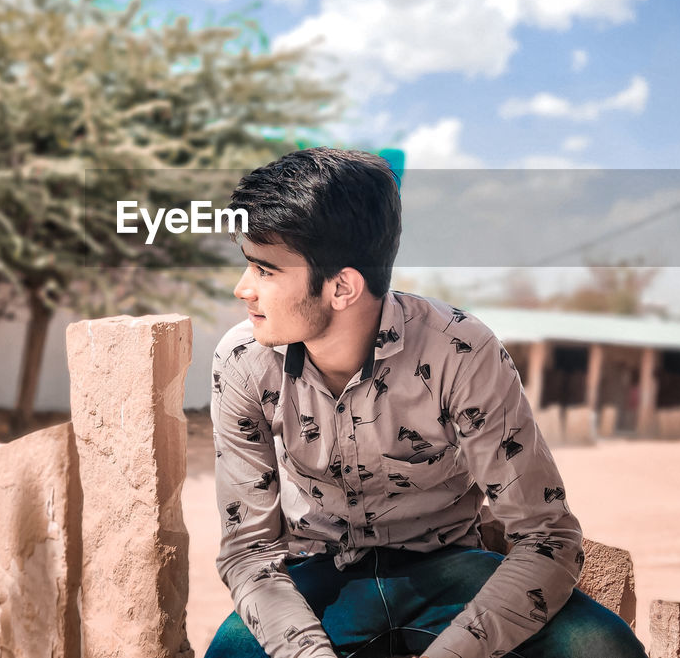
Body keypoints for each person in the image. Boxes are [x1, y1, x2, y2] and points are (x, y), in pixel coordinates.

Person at [205, 148, 645, 658]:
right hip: (318, 581)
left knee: (600, 648)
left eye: (265, 270)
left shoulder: (460, 350)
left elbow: (547, 536)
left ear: (342, 287)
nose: (244, 290)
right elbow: (249, 551)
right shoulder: (243, 360)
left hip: (450, 572)